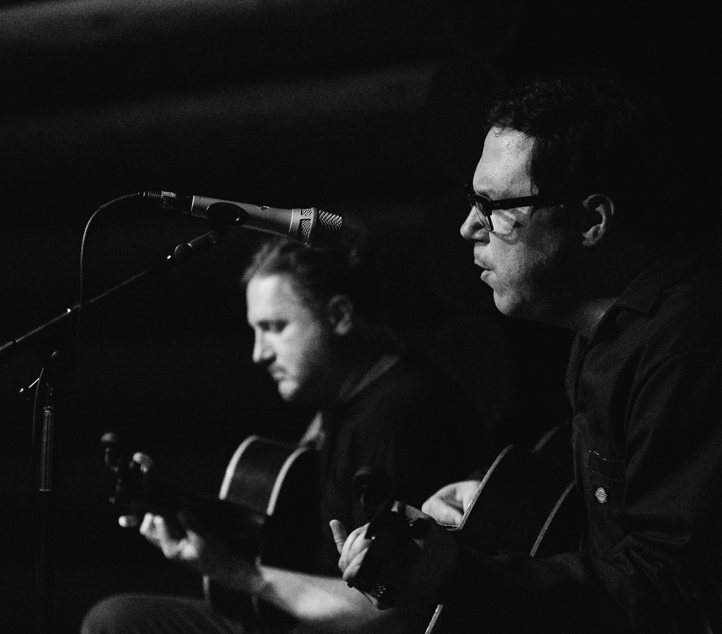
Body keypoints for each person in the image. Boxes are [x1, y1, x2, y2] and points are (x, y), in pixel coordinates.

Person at [333, 73, 722, 633]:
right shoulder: (608, 336)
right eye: (473, 201)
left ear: (593, 220)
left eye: (494, 205)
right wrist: (496, 501)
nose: (469, 226)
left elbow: (675, 600)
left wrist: (458, 576)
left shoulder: (697, 344)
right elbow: (622, 521)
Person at [83, 226, 485, 633]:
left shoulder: (398, 415)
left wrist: (240, 575)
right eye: (255, 331)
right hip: (306, 616)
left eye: (275, 327)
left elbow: (395, 611)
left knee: (115, 623)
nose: (260, 353)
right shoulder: (345, 399)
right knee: (120, 619)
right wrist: (177, 506)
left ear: (340, 316)